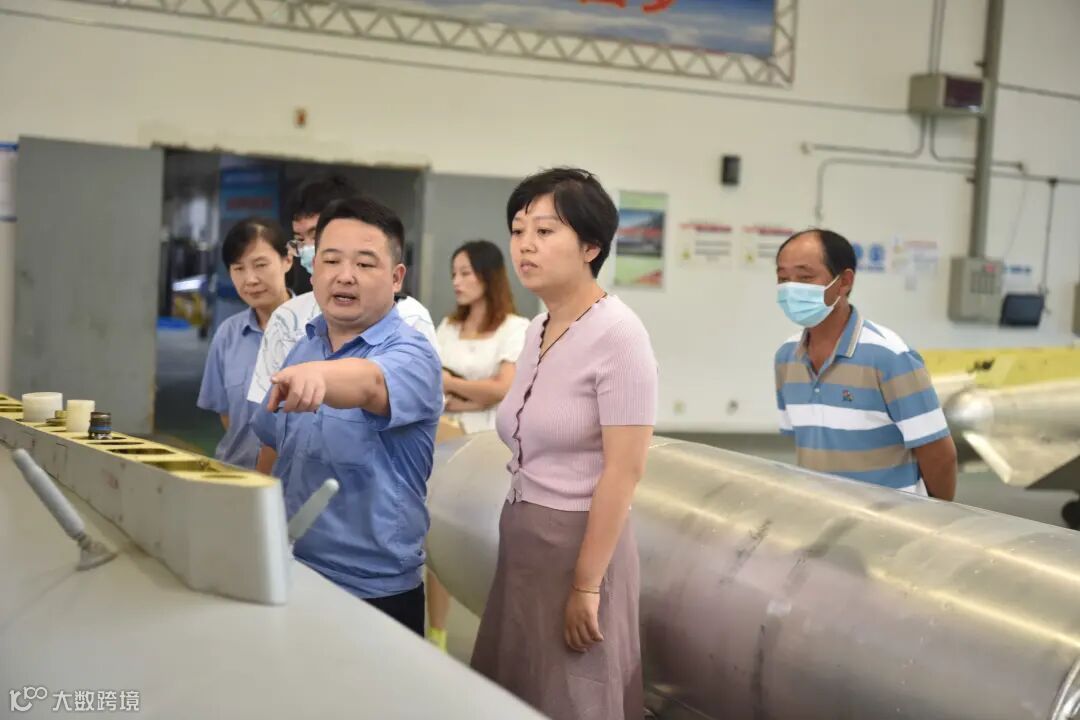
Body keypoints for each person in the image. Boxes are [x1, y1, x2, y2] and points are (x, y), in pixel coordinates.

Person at [470, 168, 657, 720]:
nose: (525, 245)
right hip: (523, 535)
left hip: (580, 546)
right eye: (518, 230)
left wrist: (586, 586)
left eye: (545, 231)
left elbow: (624, 471)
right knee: (518, 685)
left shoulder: (620, 335)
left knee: (574, 695)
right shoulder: (538, 328)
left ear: (591, 247)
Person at [251, 196, 443, 635]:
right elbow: (271, 449)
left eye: (365, 263)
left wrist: (320, 376)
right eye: (331, 260)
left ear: (396, 277)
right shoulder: (305, 346)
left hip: (374, 594)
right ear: (313, 270)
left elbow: (371, 383)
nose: (345, 275)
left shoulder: (413, 355)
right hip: (289, 571)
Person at [774, 228, 958, 499]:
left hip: (887, 519)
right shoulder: (786, 357)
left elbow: (939, 456)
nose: (791, 289)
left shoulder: (890, 357)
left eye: (805, 277)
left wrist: (931, 517)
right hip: (821, 513)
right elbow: (811, 445)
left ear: (844, 282)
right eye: (782, 278)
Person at [246, 174, 439, 408]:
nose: (345, 276)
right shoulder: (288, 319)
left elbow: (389, 387)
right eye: (300, 239)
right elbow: (268, 412)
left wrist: (317, 376)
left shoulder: (411, 318)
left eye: (315, 234)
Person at [426, 239, 530, 652]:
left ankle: (498, 636)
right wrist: (473, 393)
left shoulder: (515, 328)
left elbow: (501, 389)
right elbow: (431, 383)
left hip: (491, 447)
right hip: (444, 442)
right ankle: (436, 632)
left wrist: (454, 384)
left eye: (466, 273)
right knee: (438, 536)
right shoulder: (448, 327)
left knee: (491, 540)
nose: (457, 281)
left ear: (488, 276)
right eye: (454, 273)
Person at [196, 218, 292, 469]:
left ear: (287, 260)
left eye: (260, 265)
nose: (250, 279)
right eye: (238, 268)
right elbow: (227, 414)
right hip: (235, 474)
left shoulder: (315, 329)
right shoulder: (227, 335)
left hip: (295, 482)